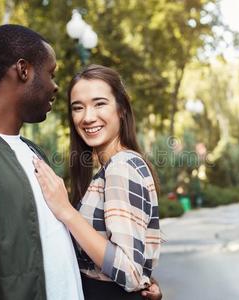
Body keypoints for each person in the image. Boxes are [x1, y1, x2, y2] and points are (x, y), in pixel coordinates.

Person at [0, 25, 161, 300]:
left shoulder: (34, 154)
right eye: (51, 73)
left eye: (99, 104)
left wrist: (139, 282)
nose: (55, 86)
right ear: (23, 70)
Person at [32, 65, 161, 300]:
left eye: (99, 103)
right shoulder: (112, 168)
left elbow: (129, 272)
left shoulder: (121, 167)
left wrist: (66, 212)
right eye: (78, 108)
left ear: (121, 108)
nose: (88, 117)